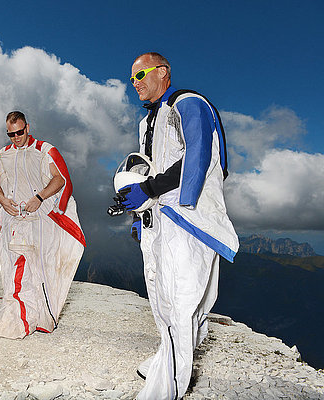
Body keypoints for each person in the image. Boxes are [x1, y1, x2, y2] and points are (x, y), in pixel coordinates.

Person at [123, 53, 239, 399]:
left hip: (189, 221)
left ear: (163, 72)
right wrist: (140, 209)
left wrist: (150, 189)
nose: (136, 83)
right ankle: (166, 360)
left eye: (140, 75)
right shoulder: (148, 123)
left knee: (180, 302)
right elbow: (147, 169)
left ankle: (166, 389)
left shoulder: (187, 103)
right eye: (132, 79)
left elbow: (199, 156)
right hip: (161, 222)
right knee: (165, 299)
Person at [0, 111, 85, 339]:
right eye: (11, 133)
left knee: (42, 272)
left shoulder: (43, 151)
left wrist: (39, 198)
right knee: (15, 268)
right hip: (14, 219)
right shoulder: (2, 156)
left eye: (19, 132)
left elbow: (60, 179)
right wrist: (3, 201)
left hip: (41, 222)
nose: (15, 137)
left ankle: (41, 319)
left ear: (28, 127)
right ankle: (16, 321)